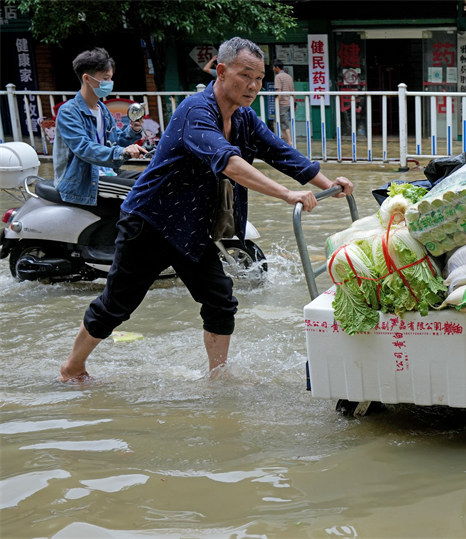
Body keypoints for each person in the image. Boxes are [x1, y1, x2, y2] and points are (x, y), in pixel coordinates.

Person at [58, 37, 354, 382]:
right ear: (223, 71)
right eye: (246, 76)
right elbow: (228, 162)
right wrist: (287, 194)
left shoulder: (243, 117)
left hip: (191, 227)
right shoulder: (194, 111)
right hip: (150, 223)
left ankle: (218, 376)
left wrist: (328, 184)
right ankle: (72, 367)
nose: (254, 86)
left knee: (220, 299)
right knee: (117, 305)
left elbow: (280, 151)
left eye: (259, 79)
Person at [53, 48, 148, 206]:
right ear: (87, 78)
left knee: (153, 179)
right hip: (84, 181)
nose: (109, 83)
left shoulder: (101, 109)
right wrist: (122, 152)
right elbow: (84, 148)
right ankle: (125, 231)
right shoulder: (68, 112)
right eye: (105, 78)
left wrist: (133, 130)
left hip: (106, 172)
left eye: (110, 78)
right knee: (141, 190)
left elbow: (115, 141)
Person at [272, 59, 295, 145]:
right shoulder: (289, 77)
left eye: (274, 67)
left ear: (277, 67)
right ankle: (285, 139)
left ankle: (289, 141)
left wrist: (276, 102)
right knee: (283, 122)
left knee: (284, 123)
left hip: (282, 103)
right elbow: (293, 90)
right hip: (289, 102)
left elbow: (279, 91)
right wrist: (295, 103)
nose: (273, 69)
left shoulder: (278, 77)